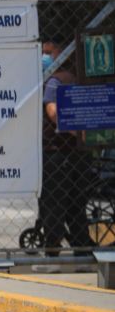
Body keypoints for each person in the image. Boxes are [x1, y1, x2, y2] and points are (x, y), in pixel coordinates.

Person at [33, 38, 94, 273]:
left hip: (56, 154)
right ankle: (83, 256)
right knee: (77, 206)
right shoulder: (79, 79)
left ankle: (52, 258)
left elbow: (54, 112)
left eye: (48, 52)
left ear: (60, 53)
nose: (44, 56)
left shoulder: (53, 81)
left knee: (53, 206)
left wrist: (74, 128)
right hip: (79, 154)